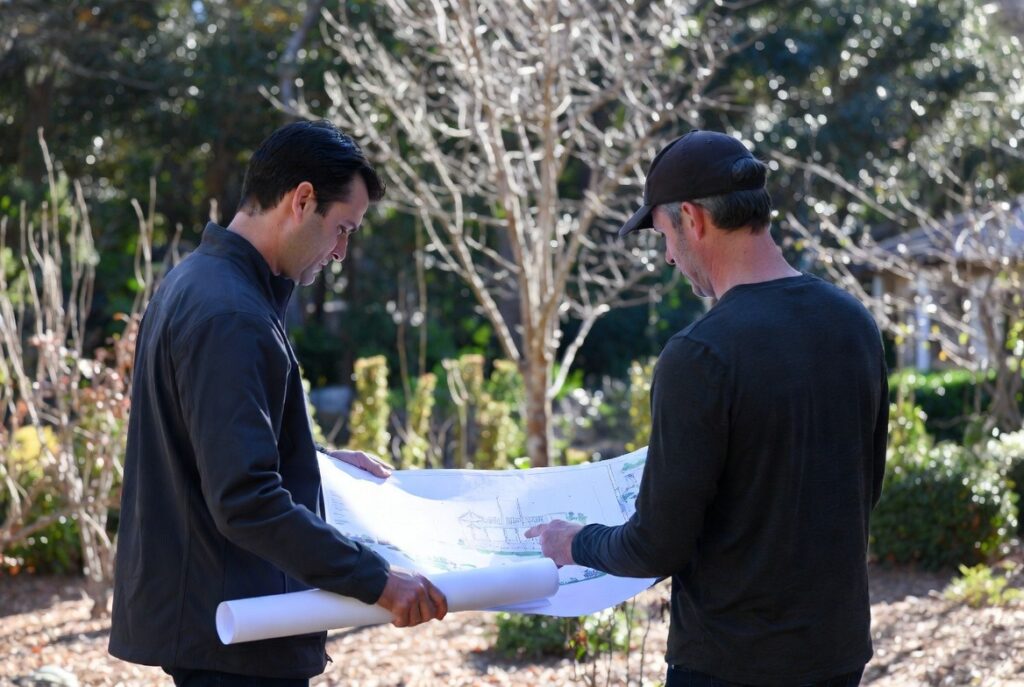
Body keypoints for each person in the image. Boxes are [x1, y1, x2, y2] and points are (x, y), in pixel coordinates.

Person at [526, 130, 887, 687]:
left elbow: (654, 546)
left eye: (664, 234)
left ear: (692, 219)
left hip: (730, 663)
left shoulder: (700, 354)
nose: (669, 255)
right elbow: (866, 488)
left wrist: (571, 541)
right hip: (836, 653)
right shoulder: (854, 323)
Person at [110, 120, 448, 686]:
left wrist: (319, 463)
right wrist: (380, 581)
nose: (340, 252)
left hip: (217, 623)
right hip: (235, 638)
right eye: (342, 230)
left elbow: (212, 446)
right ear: (302, 200)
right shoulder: (232, 314)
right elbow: (246, 499)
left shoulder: (197, 282)